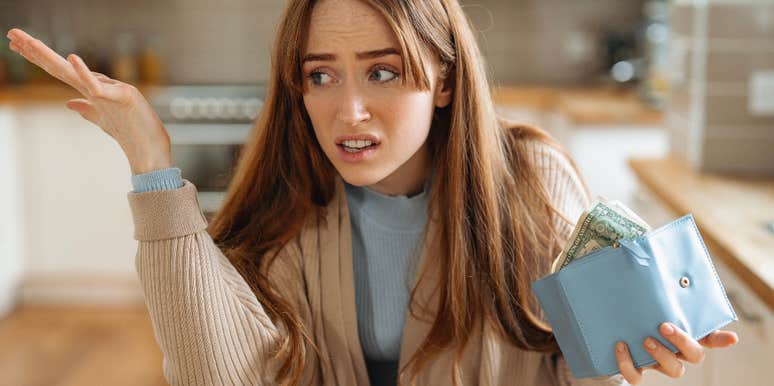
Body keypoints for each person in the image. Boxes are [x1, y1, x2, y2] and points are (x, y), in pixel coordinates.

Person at [6, 0, 739, 385]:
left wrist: (629, 358)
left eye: (382, 72)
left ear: (444, 80)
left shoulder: (530, 180)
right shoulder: (283, 213)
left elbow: (578, 362)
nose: (347, 110)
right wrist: (150, 163)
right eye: (321, 75)